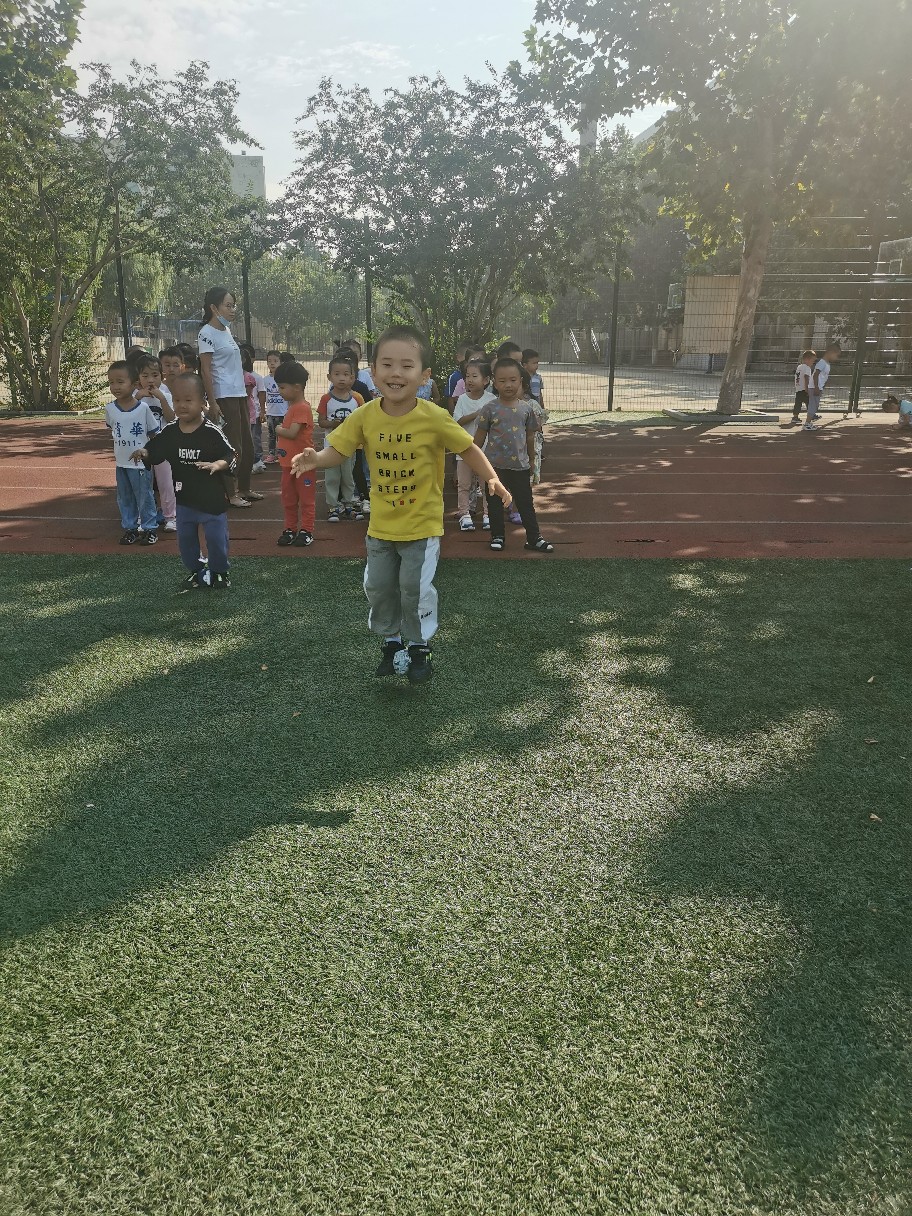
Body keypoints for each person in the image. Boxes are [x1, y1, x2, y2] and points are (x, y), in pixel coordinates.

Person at [292, 324, 511, 685]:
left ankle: (420, 647)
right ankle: (392, 642)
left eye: (407, 366)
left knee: (414, 590)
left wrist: (492, 478)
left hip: (421, 527)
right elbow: (339, 449)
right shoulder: (365, 415)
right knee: (378, 587)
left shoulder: (434, 417)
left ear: (424, 376)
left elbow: (468, 447)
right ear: (373, 372)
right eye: (387, 365)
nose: (396, 373)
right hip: (381, 526)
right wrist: (316, 458)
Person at [133, 372, 237, 591]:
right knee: (186, 541)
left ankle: (220, 571)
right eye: (177, 400)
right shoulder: (171, 431)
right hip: (185, 500)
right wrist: (144, 452)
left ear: (202, 403)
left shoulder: (211, 432)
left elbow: (231, 455)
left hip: (211, 501)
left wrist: (218, 464)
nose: (182, 405)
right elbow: (156, 450)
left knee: (216, 539)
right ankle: (197, 571)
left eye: (188, 400)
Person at [474, 358, 554, 554]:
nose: (508, 385)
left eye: (513, 380)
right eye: (502, 381)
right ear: (494, 382)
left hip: (520, 467)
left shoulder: (526, 409)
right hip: (494, 468)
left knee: (525, 504)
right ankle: (497, 536)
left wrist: (532, 459)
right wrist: (475, 462)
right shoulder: (489, 409)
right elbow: (479, 437)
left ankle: (534, 538)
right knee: (494, 504)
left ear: (520, 381)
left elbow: (530, 437)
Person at [196, 287, 255, 507]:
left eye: (234, 305)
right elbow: (205, 370)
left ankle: (245, 488)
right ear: (214, 308)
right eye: (228, 306)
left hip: (239, 394)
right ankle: (231, 493)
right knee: (233, 445)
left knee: (247, 445)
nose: (233, 310)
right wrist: (212, 402)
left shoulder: (226, 331)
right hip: (224, 395)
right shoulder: (206, 333)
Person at [104, 360, 160, 546]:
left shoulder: (143, 409)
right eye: (111, 382)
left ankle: (150, 529)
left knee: (145, 496)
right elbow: (113, 428)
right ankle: (131, 528)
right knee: (125, 497)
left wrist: (150, 454)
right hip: (121, 463)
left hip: (141, 465)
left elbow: (154, 434)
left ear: (135, 384)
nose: (115, 386)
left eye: (120, 382)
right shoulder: (110, 409)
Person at [318, 354, 365, 521]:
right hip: (331, 446)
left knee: (348, 476)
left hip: (349, 446)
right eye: (337, 374)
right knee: (332, 476)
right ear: (329, 377)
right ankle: (333, 506)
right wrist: (334, 423)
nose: (341, 378)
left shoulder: (357, 399)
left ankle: (349, 504)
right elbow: (321, 422)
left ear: (352, 377)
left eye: (346, 374)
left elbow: (362, 422)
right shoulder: (326, 399)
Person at [274, 361, 316, 547]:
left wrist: (278, 429)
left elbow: (292, 433)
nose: (279, 391)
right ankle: (290, 529)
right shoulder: (293, 407)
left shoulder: (302, 408)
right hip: (288, 464)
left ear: (297, 387)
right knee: (288, 499)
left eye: (282, 387)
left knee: (306, 499)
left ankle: (307, 530)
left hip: (303, 464)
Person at [135, 355, 177, 533]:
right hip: (141, 448)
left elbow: (172, 418)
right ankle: (143, 517)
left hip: (163, 448)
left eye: (155, 375)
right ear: (138, 378)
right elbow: (130, 416)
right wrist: (138, 398)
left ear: (162, 376)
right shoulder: (135, 396)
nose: (150, 380)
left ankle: (171, 517)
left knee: (166, 484)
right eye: (145, 376)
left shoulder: (166, 394)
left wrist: (162, 399)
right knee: (143, 484)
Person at [453, 357, 496, 530]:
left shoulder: (492, 399)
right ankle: (464, 514)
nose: (469, 380)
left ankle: (488, 513)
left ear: (486, 380)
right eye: (467, 376)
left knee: (487, 484)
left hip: (487, 450)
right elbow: (457, 422)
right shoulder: (462, 399)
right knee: (464, 484)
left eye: (474, 376)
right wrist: (476, 414)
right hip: (465, 449)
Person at [522, 349, 549, 485]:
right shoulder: (521, 376)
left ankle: (537, 451)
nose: (537, 365)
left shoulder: (538, 377)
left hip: (535, 407)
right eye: (534, 363)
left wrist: (542, 406)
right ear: (524, 364)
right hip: (526, 407)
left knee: (537, 432)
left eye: (537, 363)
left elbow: (540, 394)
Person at [240, 342, 267, 473]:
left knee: (253, 438)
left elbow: (250, 395)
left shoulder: (249, 377)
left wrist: (262, 411)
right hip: (240, 413)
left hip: (251, 413)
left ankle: (257, 460)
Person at [805, 342, 840, 431]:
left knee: (815, 406)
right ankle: (807, 424)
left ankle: (809, 422)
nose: (836, 358)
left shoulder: (827, 364)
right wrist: (816, 387)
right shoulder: (822, 363)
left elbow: (823, 377)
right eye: (836, 355)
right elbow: (815, 375)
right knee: (813, 406)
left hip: (818, 387)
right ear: (831, 352)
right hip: (814, 387)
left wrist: (821, 387)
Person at [263, 350, 287, 464]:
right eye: (269, 361)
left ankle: (283, 454)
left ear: (280, 363)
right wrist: (263, 410)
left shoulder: (284, 379)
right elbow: (263, 396)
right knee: (271, 435)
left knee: (282, 436)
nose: (272, 363)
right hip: (271, 413)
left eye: (275, 361)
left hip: (283, 413)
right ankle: (272, 454)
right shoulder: (265, 380)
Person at [789, 349, 816, 426]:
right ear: (807, 359)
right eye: (812, 360)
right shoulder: (807, 368)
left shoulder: (799, 367)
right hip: (804, 389)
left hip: (798, 388)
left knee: (798, 403)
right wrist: (808, 388)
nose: (813, 363)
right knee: (810, 402)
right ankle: (812, 415)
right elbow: (806, 378)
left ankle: (795, 417)